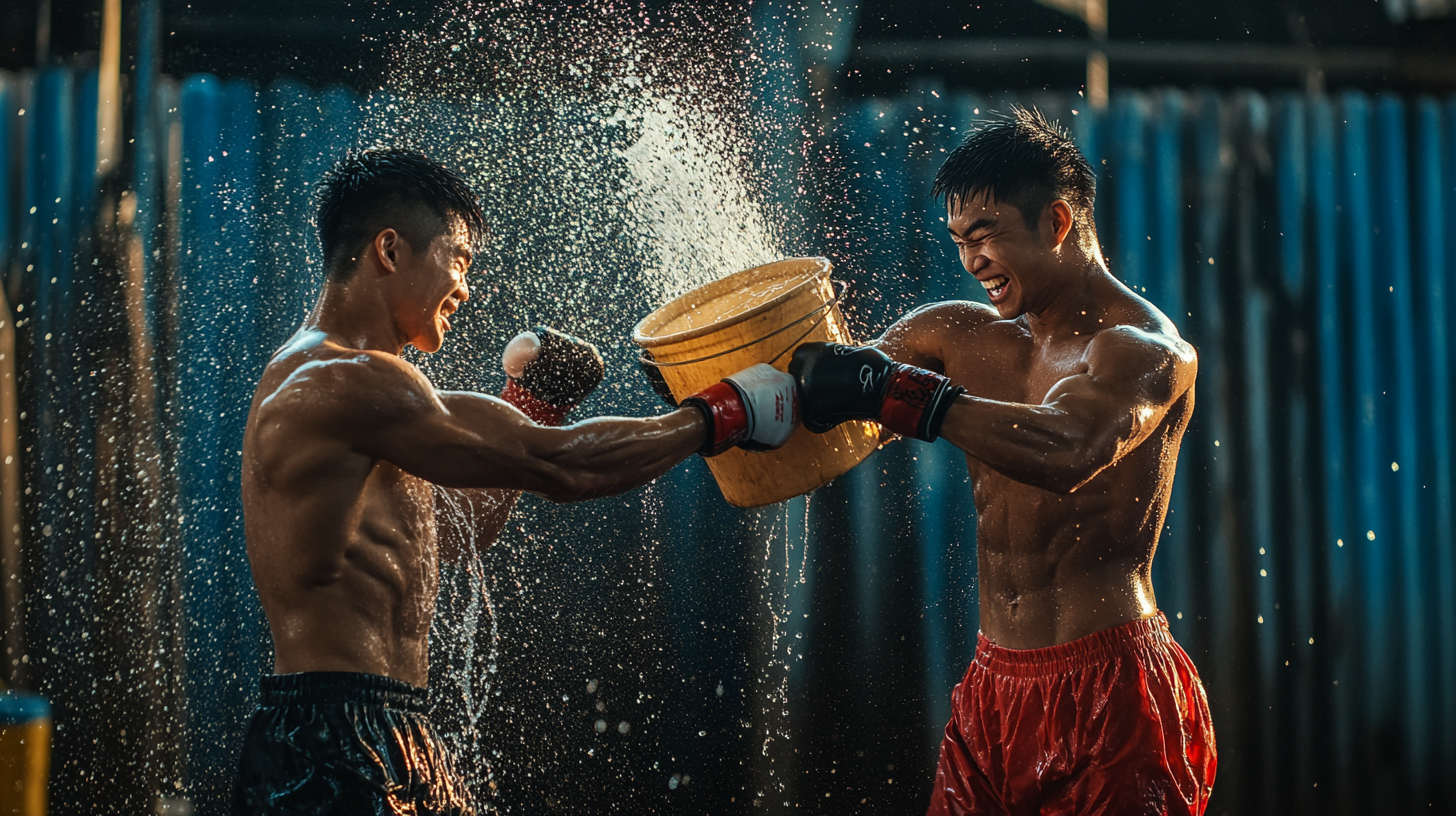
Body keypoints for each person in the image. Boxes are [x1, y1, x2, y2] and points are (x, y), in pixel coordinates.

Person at [232, 147, 798, 816]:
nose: (464, 288)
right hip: (333, 738)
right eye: (459, 260)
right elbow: (561, 466)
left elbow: (450, 530)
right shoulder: (340, 380)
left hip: (386, 726)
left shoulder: (371, 389)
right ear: (389, 249)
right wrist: (723, 413)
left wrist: (536, 405)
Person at [791, 108, 1216, 815]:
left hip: (1112, 694)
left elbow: (1070, 447)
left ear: (1055, 223)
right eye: (959, 241)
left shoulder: (1148, 351)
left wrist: (910, 398)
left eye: (985, 236)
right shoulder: (955, 335)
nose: (971, 261)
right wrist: (725, 400)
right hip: (993, 690)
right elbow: (830, 406)